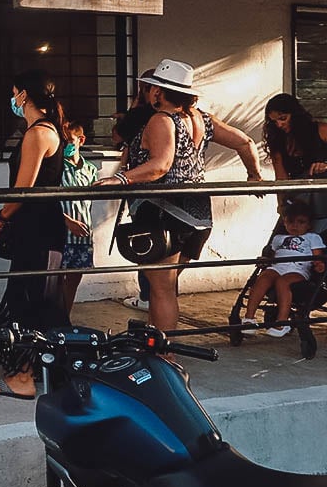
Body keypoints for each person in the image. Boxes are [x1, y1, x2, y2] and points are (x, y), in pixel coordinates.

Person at [95, 59, 262, 333]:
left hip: (163, 211)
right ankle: (155, 344)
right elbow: (245, 142)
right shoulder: (201, 118)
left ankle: (164, 353)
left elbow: (160, 164)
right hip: (197, 214)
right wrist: (254, 176)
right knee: (167, 287)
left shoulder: (162, 119)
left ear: (158, 92)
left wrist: (122, 178)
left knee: (161, 290)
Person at [0, 70, 69, 400]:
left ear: (23, 96)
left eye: (14, 93)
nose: (13, 99)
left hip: (35, 227)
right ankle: (49, 371)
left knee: (29, 300)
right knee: (42, 299)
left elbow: (24, 188)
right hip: (42, 226)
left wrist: (2, 216)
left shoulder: (38, 134)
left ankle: (22, 378)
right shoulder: (50, 129)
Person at [241, 198, 326, 338]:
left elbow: (317, 257)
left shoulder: (312, 237)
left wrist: (319, 265)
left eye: (301, 222)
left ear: (309, 224)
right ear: (284, 222)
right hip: (278, 266)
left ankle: (282, 322)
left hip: (298, 269)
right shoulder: (279, 238)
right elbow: (273, 256)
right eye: (290, 222)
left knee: (282, 282)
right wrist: (265, 260)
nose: (295, 226)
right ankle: (249, 319)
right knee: (263, 278)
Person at [113, 69, 156, 312]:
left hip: (141, 185)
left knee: (145, 241)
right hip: (166, 189)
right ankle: (156, 294)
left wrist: (130, 111)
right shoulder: (176, 115)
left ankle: (147, 295)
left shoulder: (140, 113)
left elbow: (117, 138)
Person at [262, 93, 327, 233]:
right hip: (299, 203)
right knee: (276, 247)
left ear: (295, 114)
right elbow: (281, 179)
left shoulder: (321, 130)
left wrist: (325, 165)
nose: (279, 124)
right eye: (274, 121)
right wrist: (282, 207)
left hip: (323, 197)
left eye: (283, 118)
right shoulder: (277, 142)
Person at [58, 123, 99, 316]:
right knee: (54, 281)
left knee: (73, 281)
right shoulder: (56, 167)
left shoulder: (90, 169)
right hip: (61, 235)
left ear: (81, 140)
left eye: (69, 141)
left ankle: (64, 317)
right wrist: (65, 220)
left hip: (82, 237)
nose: (66, 145)